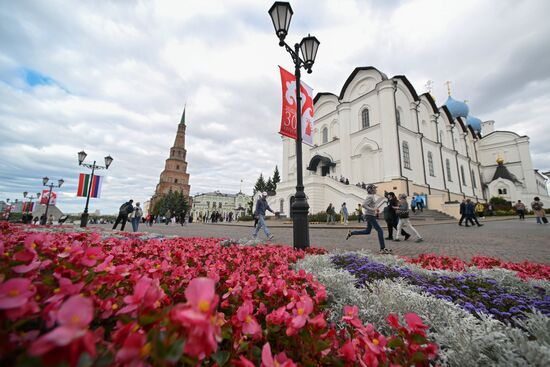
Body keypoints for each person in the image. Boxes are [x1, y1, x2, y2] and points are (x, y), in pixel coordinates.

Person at [346, 184, 390, 254]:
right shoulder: (370, 196)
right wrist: (372, 209)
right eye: (375, 188)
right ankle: (382, 248)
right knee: (380, 230)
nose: (376, 189)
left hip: (370, 215)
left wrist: (374, 209)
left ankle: (351, 233)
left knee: (367, 231)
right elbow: (363, 205)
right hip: (370, 216)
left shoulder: (372, 196)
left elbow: (369, 205)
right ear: (371, 190)